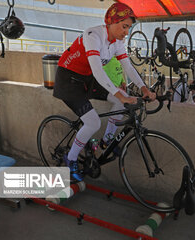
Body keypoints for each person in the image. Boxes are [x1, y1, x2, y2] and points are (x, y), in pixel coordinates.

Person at [53, 2, 156, 181]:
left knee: (121, 99)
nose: (126, 32)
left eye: (129, 28)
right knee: (93, 123)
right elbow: (98, 71)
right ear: (111, 21)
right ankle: (70, 159)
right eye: (124, 27)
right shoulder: (93, 35)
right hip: (69, 80)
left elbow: (128, 66)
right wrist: (120, 95)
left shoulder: (117, 42)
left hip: (87, 78)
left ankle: (107, 140)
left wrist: (144, 88)